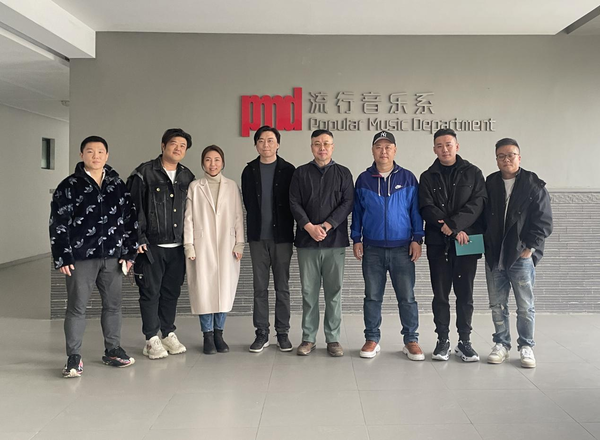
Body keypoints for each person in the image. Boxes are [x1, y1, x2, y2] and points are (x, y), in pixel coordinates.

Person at [50, 135, 138, 378]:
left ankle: (113, 350)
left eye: (100, 152)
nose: (95, 156)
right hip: (81, 257)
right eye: (90, 151)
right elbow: (58, 223)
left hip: (113, 257)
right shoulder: (69, 185)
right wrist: (63, 255)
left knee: (113, 305)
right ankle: (73, 357)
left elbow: (130, 220)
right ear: (82, 155)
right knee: (77, 307)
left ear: (107, 155)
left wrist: (129, 253)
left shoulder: (117, 185)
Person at [352, 130, 425, 361]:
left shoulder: (408, 178)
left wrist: (417, 239)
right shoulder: (363, 179)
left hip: (402, 248)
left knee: (407, 297)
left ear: (394, 150)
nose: (383, 151)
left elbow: (415, 212)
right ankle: (372, 338)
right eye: (378, 147)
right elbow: (357, 212)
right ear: (372, 150)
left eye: (388, 147)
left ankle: (411, 340)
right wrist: (356, 238)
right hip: (372, 248)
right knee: (372, 297)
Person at [419, 128, 487, 362]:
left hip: (466, 240)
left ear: (457, 146)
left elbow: (478, 204)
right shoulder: (427, 176)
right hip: (438, 243)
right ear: (434, 149)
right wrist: (448, 227)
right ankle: (442, 340)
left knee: (465, 295)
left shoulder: (473, 173)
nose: (444, 149)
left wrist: (456, 226)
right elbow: (426, 207)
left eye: (448, 144)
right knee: (440, 294)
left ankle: (465, 342)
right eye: (439, 145)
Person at [484, 138, 552, 368]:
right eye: (501, 156)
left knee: (525, 305)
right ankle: (501, 344)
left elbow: (543, 221)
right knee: (497, 304)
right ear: (496, 160)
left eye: (511, 155)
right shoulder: (490, 183)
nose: (506, 160)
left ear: (519, 157)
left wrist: (529, 248)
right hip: (495, 255)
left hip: (520, 256)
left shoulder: (533, 184)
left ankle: (526, 346)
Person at [127, 128, 195, 360]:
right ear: (163, 145)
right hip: (150, 246)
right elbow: (132, 208)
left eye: (183, 146)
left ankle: (167, 333)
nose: (178, 148)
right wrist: (138, 238)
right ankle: (150, 339)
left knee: (171, 293)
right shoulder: (144, 173)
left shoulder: (187, 176)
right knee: (150, 292)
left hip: (177, 247)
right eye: (174, 143)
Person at [289, 129, 354, 357]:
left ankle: (333, 339)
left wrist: (327, 226)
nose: (322, 147)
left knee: (334, 292)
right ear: (311, 147)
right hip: (307, 242)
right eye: (317, 143)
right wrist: (309, 227)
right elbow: (294, 202)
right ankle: (308, 338)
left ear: (333, 147)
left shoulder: (343, 173)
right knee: (309, 293)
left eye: (326, 143)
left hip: (334, 242)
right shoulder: (300, 173)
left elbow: (347, 203)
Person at [184, 145, 245, 354]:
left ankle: (219, 333)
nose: (213, 164)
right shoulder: (195, 186)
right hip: (202, 245)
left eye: (217, 159)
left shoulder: (231, 186)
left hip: (227, 245)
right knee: (204, 291)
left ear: (223, 162)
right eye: (208, 159)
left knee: (224, 290)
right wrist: (189, 245)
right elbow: (188, 218)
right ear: (203, 163)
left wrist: (239, 243)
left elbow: (238, 216)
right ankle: (207, 336)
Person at [241, 126, 296, 353]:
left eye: (270, 140)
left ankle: (282, 333)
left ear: (278, 144)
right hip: (257, 238)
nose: (266, 144)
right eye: (261, 140)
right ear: (256, 144)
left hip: (282, 238)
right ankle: (261, 333)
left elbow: (294, 203)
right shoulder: (249, 171)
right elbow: (248, 203)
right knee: (259, 288)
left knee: (282, 287)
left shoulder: (289, 170)